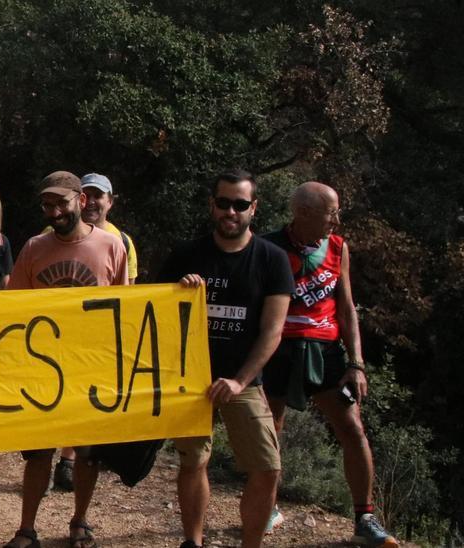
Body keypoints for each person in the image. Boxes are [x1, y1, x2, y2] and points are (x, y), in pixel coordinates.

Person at [158, 169, 291, 548]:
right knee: (193, 462)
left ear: (254, 208)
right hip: (190, 381)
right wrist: (178, 294)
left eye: (240, 204)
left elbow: (272, 331)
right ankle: (193, 541)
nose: (230, 211)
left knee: (267, 468)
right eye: (223, 203)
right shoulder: (186, 255)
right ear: (211, 205)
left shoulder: (272, 260)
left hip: (242, 382)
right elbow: (159, 318)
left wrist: (240, 381)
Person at [261, 182, 398, 547]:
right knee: (270, 430)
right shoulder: (268, 247)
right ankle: (266, 507)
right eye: (331, 211)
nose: (336, 219)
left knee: (352, 428)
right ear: (303, 212)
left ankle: (364, 517)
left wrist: (357, 363)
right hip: (280, 348)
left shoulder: (338, 247)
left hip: (327, 351)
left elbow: (347, 307)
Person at [2, 171, 128, 548]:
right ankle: (26, 529)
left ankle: (79, 521)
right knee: (38, 453)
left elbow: (126, 307)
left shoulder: (111, 245)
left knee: (88, 454)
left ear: (82, 202)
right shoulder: (33, 248)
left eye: (62, 203)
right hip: (43, 369)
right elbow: (14, 309)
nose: (54, 210)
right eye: (47, 204)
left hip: (91, 367)